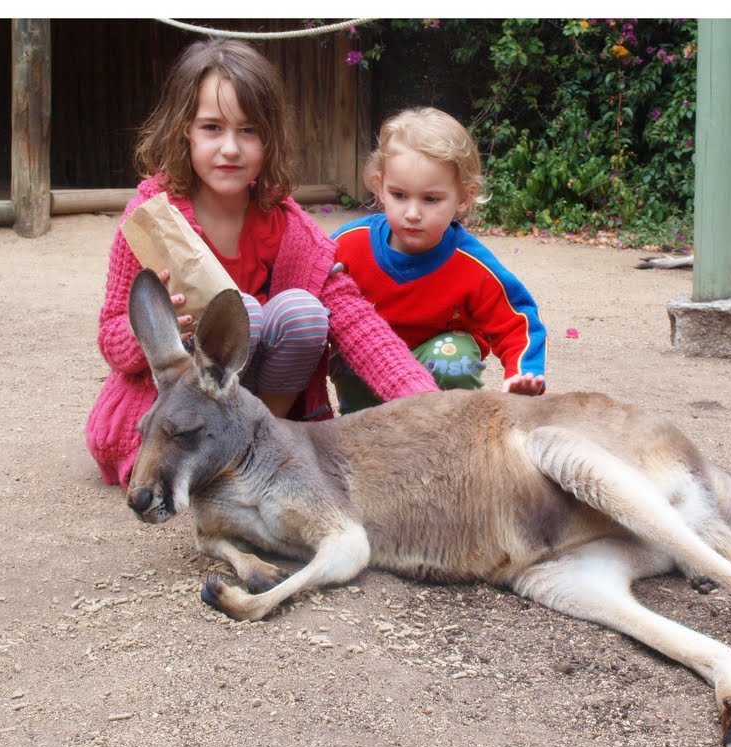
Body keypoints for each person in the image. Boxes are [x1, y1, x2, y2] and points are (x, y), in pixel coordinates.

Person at [85, 39, 437, 488]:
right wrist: (158, 332)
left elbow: (356, 322)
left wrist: (433, 409)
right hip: (179, 419)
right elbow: (111, 337)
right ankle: (214, 454)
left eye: (248, 130)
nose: (231, 148)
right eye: (212, 128)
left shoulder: (287, 226)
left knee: (302, 311)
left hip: (263, 411)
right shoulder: (151, 221)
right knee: (240, 312)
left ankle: (255, 449)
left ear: (269, 139)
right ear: (184, 131)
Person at [329, 106, 547, 411]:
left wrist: (522, 374)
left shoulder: (473, 265)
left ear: (464, 197)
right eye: (399, 195)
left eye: (431, 199)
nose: (412, 213)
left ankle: (444, 433)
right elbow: (307, 287)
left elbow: (517, 320)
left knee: (454, 355)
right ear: (380, 186)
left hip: (436, 384)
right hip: (368, 370)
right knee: (348, 343)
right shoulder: (348, 244)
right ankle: (360, 428)